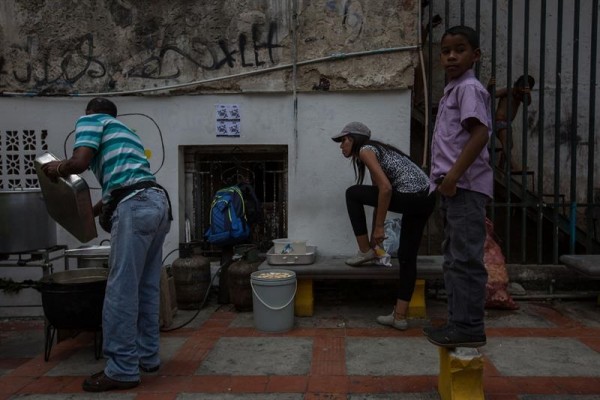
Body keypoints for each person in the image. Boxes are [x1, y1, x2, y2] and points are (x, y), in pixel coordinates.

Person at [42, 98, 172, 392]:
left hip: (135, 207)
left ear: (90, 114)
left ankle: (123, 369)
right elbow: (122, 186)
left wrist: (57, 168)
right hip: (158, 204)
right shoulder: (127, 133)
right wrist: (91, 213)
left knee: (120, 291)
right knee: (146, 287)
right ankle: (147, 357)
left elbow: (79, 163)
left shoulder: (90, 122)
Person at [424, 25, 493, 348]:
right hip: (452, 188)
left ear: (475, 55)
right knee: (453, 259)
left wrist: (451, 176)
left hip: (463, 187)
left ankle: (468, 327)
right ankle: (458, 323)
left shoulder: (469, 89)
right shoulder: (454, 90)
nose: (451, 55)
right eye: (446, 50)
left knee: (465, 259)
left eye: (460, 49)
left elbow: (480, 134)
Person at [332, 121, 435, 330]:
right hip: (427, 199)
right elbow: (380, 197)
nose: (341, 145)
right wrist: (375, 241)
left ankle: (363, 251)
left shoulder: (366, 150)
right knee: (407, 257)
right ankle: (400, 317)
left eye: (343, 140)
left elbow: (386, 190)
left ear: (354, 139)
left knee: (352, 194)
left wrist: (379, 229)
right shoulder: (379, 152)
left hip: (411, 196)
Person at [487, 74, 535, 170]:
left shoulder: (519, 96)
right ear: (517, 84)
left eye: (525, 89)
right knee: (506, 144)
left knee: (509, 145)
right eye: (521, 87)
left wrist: (528, 94)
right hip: (499, 121)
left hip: (507, 124)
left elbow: (528, 103)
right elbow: (493, 95)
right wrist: (489, 87)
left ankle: (501, 167)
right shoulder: (509, 91)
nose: (521, 90)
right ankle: (514, 166)